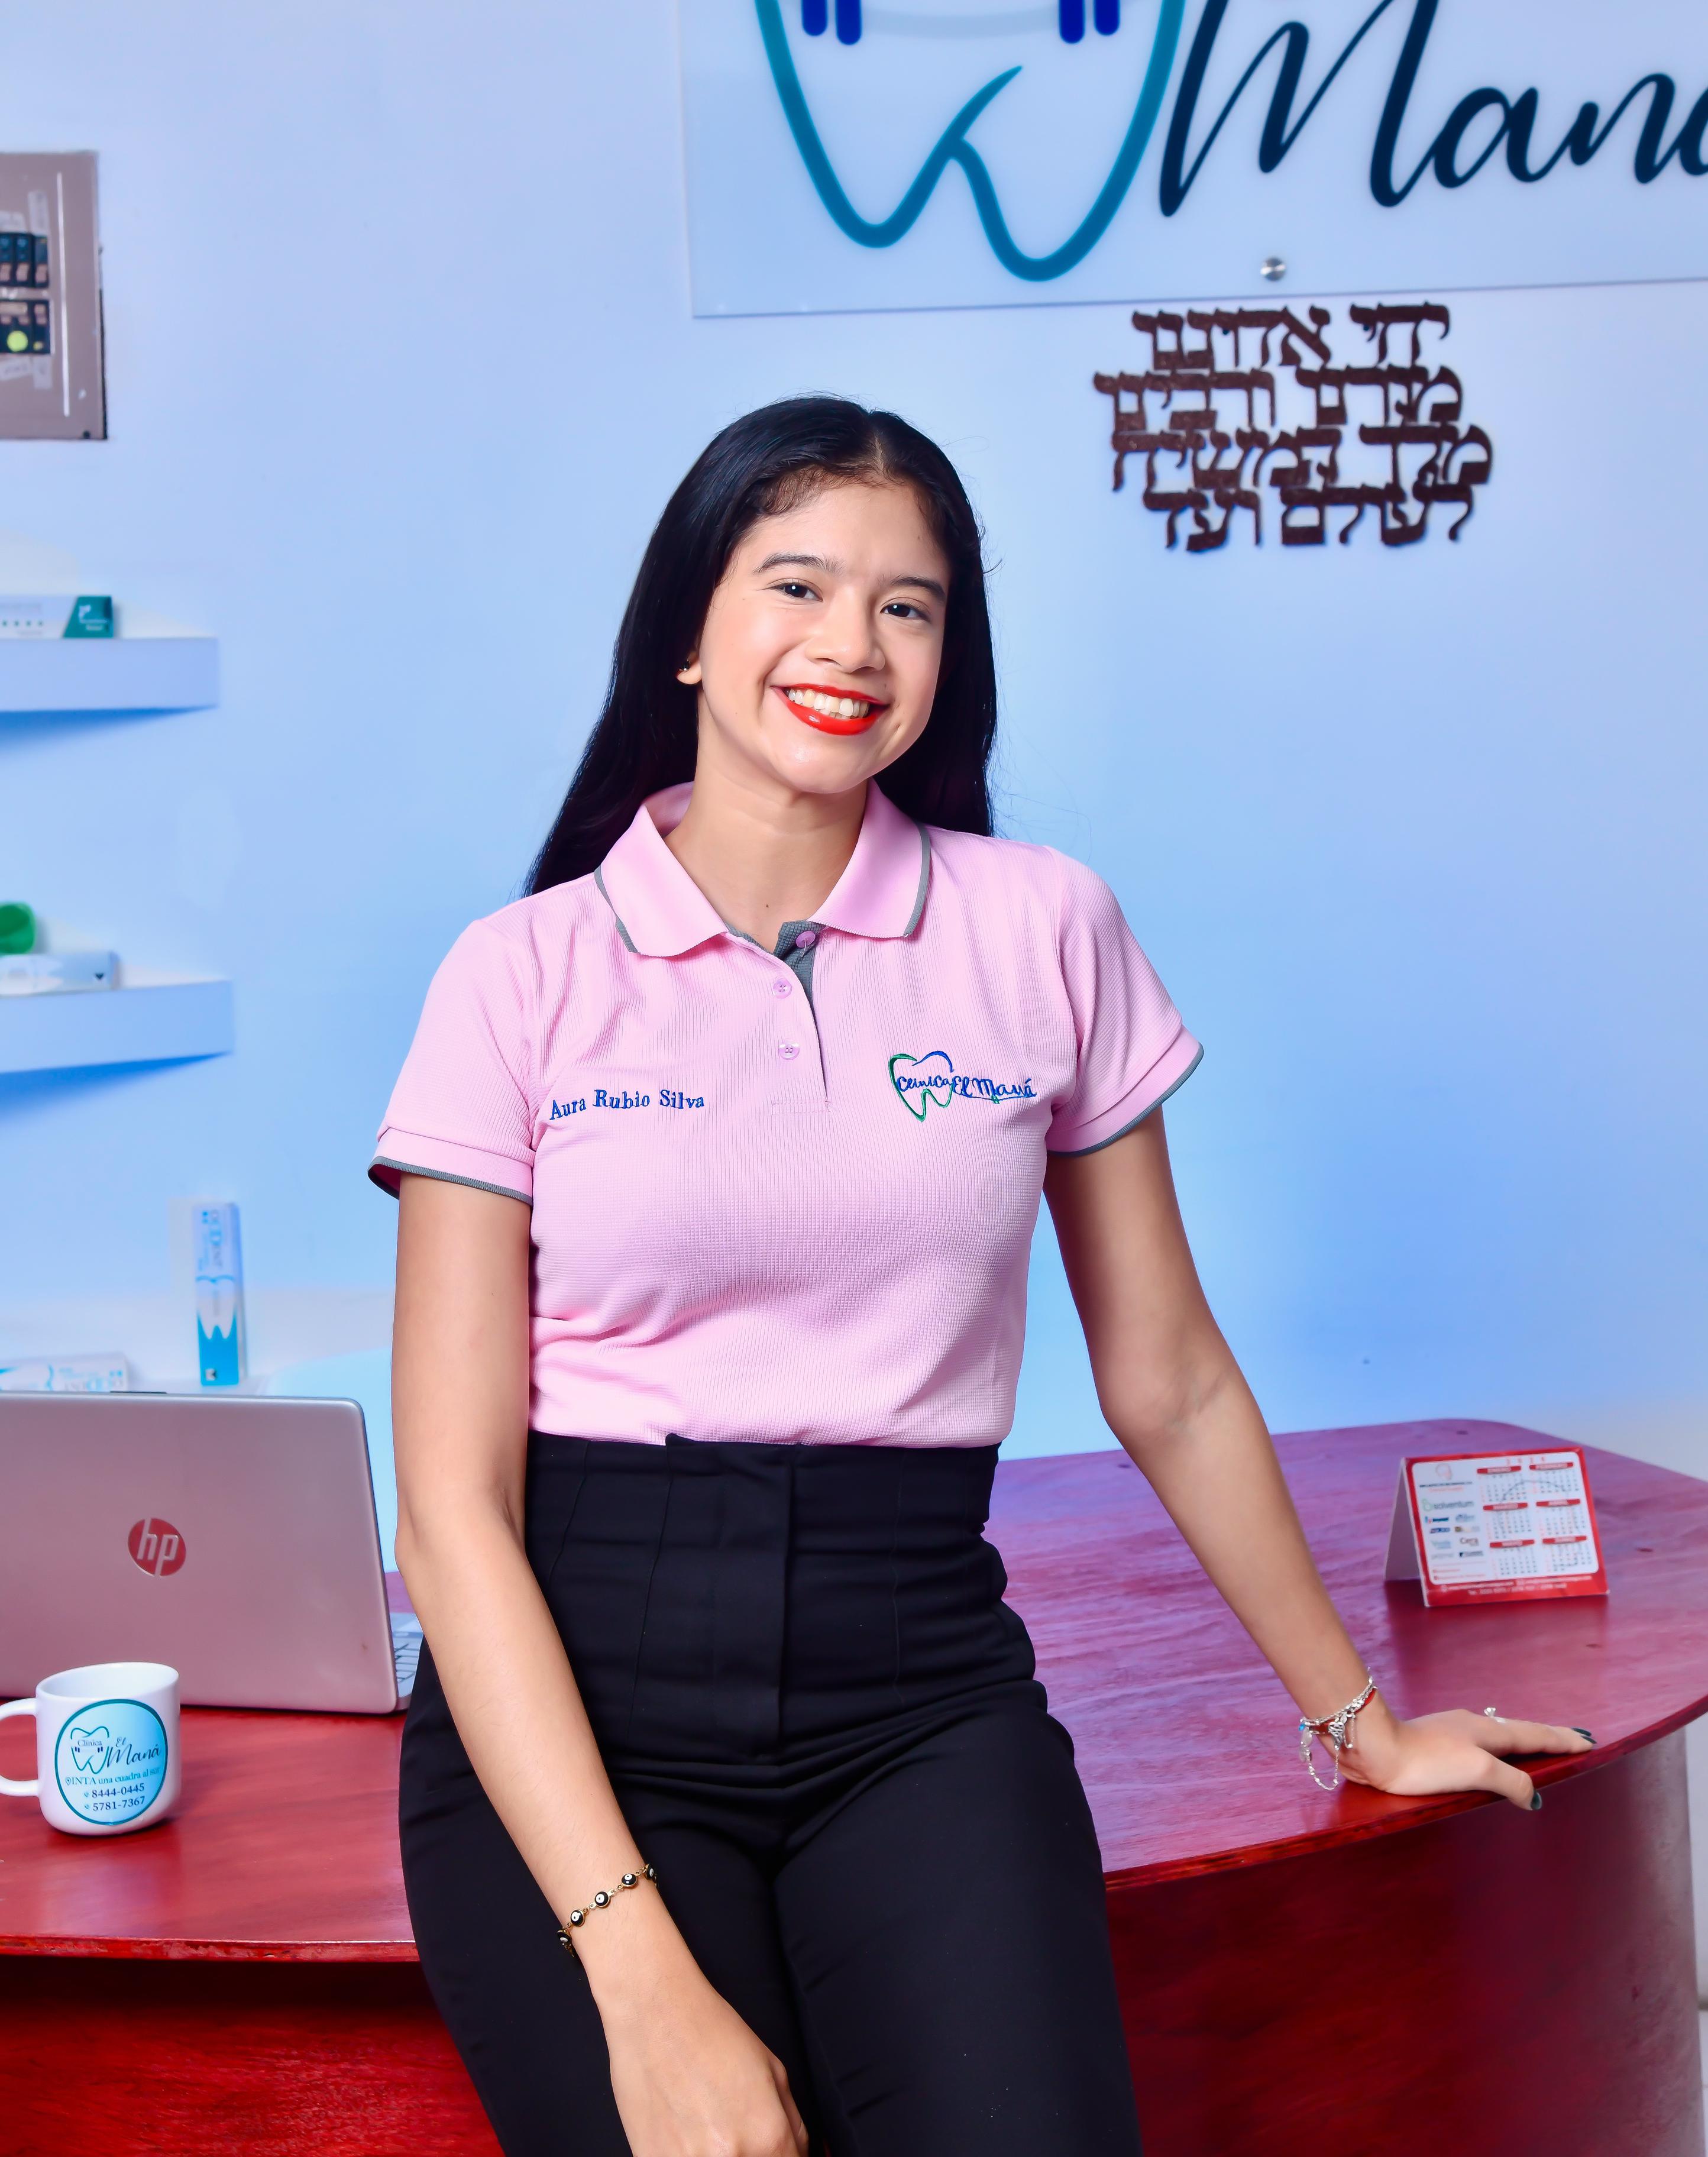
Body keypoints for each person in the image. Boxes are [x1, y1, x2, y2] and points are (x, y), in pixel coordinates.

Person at [376, 398, 1586, 2157]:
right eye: (798, 584)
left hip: (917, 1690)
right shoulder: (517, 975)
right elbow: (453, 1511)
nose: (852, 646)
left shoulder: (1044, 927)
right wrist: (637, 1976)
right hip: (579, 1707)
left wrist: (1362, 1723)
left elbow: (1171, 1379)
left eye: (909, 605)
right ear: (687, 632)